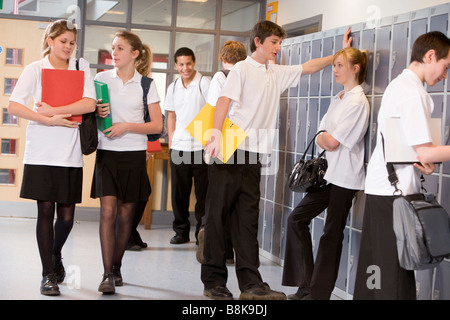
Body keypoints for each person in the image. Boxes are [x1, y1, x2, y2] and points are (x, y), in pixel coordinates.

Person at [201, 20, 352, 300]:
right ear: (258, 42)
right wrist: (215, 135)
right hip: (230, 150)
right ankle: (213, 282)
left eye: (280, 43)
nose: (278, 48)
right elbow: (223, 102)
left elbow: (308, 67)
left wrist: (338, 56)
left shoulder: (276, 72)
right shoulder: (242, 69)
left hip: (255, 155)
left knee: (247, 220)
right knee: (218, 218)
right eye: (273, 42)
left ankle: (251, 284)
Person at [353, 31, 450, 300]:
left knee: (375, 265)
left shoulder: (400, 85)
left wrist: (422, 159)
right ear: (430, 56)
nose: (444, 75)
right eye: (445, 67)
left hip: (381, 186)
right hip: (392, 193)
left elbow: (404, 143)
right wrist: (427, 156)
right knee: (394, 271)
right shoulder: (412, 93)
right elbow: (425, 151)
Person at [7, 19, 96, 296]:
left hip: (69, 151)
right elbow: (14, 106)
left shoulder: (81, 67)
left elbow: (89, 103)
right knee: (45, 211)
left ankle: (55, 254)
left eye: (72, 42)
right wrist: (47, 120)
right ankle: (48, 274)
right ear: (50, 41)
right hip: (42, 150)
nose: (68, 47)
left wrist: (53, 111)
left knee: (67, 217)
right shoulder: (36, 68)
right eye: (63, 42)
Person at [282, 47, 369, 300]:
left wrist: (323, 136)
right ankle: (306, 283)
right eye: (334, 65)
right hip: (328, 175)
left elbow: (331, 142)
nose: (335, 70)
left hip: (345, 178)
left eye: (340, 65)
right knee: (296, 219)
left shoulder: (357, 102)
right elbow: (322, 134)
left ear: (355, 69)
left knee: (331, 235)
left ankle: (318, 295)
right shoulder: (339, 97)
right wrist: (324, 136)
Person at [92, 30, 163, 294]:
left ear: (134, 53)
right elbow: (91, 114)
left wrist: (127, 127)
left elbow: (157, 125)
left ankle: (117, 264)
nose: (115, 52)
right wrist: (95, 111)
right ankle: (107, 273)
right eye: (113, 47)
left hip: (133, 155)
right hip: (107, 154)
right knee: (108, 211)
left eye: (120, 48)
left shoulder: (147, 84)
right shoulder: (100, 79)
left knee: (125, 216)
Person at [196, 40, 247, 264]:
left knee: (217, 201)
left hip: (223, 142)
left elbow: (214, 109)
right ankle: (225, 249)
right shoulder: (247, 76)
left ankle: (213, 242)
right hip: (243, 144)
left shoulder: (220, 77)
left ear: (222, 58)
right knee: (233, 202)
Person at [165, 47, 210, 245]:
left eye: (189, 64)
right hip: (179, 148)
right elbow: (171, 115)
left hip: (201, 148)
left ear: (194, 63)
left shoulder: (204, 83)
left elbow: (213, 111)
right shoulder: (173, 87)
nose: (185, 68)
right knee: (179, 194)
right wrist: (172, 139)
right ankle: (181, 232)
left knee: (203, 195)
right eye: (181, 64)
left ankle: (202, 232)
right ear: (176, 65)